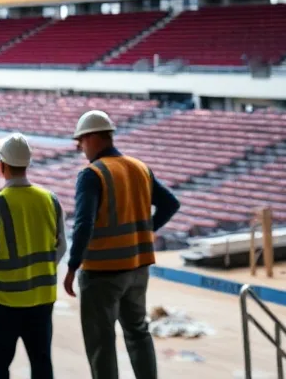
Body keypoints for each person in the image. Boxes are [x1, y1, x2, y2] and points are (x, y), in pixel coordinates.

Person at [64, 111, 181, 379]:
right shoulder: (139, 167)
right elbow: (170, 204)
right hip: (138, 269)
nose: (79, 147)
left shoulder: (92, 174)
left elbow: (84, 224)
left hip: (102, 273)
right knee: (138, 332)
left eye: (80, 141)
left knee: (100, 342)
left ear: (93, 137)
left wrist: (72, 266)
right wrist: (144, 231)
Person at [0, 134, 66, 379]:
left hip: (3, 300)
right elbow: (61, 247)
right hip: (42, 298)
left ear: (1, 166)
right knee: (42, 363)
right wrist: (42, 271)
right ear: (27, 164)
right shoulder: (50, 200)